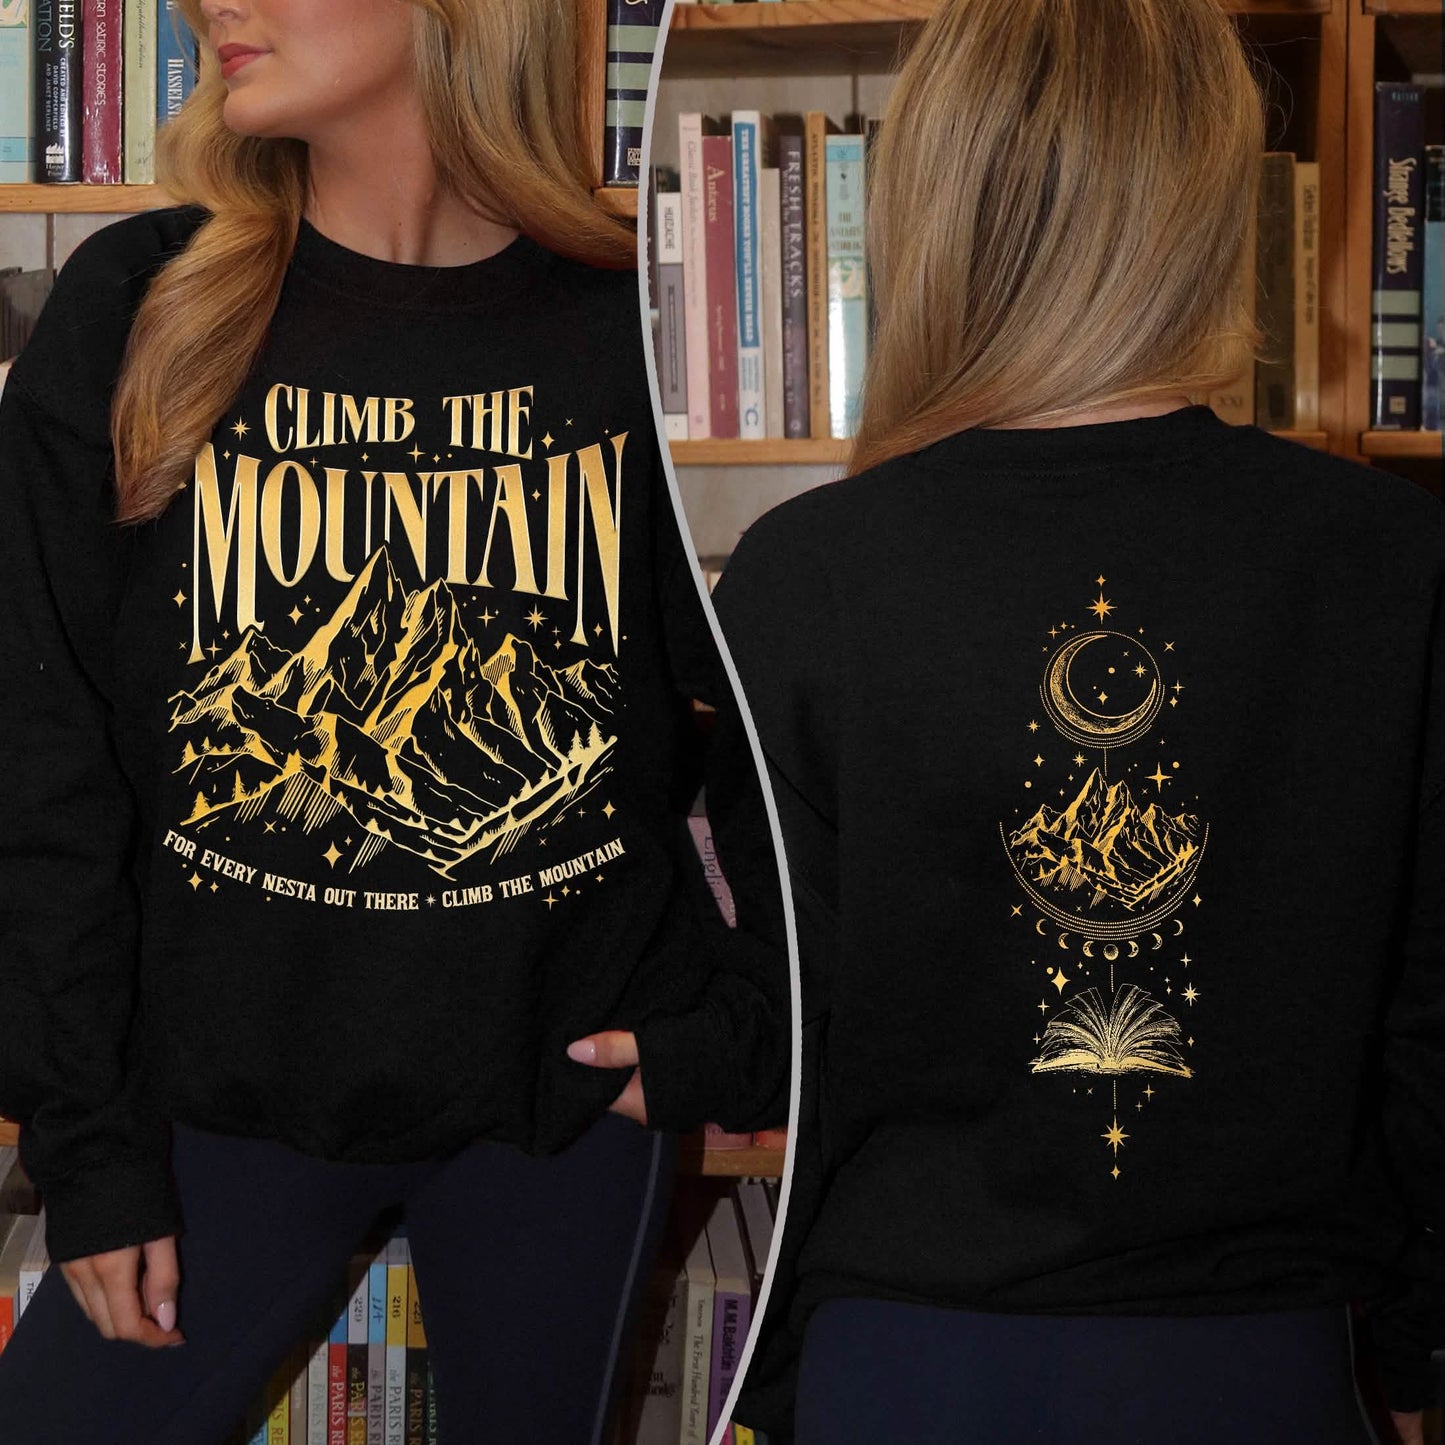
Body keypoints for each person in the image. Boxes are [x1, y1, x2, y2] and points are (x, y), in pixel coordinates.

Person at [0, 0, 788, 1440]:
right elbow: (42, 758)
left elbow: (777, 720)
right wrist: (92, 1145)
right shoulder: (142, 303)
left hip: (560, 1111)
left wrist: (749, 1027)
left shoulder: (628, 326)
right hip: (211, 1109)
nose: (208, 3)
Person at [711, 1, 1444, 1443]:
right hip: (1255, 1362)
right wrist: (1418, 1362)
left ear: (931, 198)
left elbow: (783, 1023)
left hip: (903, 1357)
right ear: (1208, 198)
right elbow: (1427, 1029)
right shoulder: (1387, 558)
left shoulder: (807, 574)